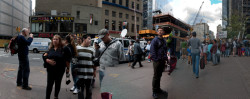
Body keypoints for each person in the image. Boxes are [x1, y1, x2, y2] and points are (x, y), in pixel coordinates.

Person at [43, 35, 70, 99]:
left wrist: (68, 69)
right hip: (50, 70)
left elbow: (68, 59)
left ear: (59, 40)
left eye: (56, 39)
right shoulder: (50, 49)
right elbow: (44, 55)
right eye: (54, 39)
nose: (55, 40)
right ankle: (47, 97)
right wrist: (47, 60)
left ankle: (56, 96)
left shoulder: (64, 48)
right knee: (49, 84)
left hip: (60, 70)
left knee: (57, 83)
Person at [150, 27, 168, 99]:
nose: (160, 32)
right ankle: (154, 91)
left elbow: (165, 50)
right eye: (159, 31)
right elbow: (152, 51)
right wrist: (156, 60)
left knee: (159, 75)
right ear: (157, 32)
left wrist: (166, 59)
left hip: (162, 61)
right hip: (157, 61)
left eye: (161, 31)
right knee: (156, 76)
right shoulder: (155, 40)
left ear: (163, 32)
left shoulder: (164, 41)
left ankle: (158, 89)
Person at [76, 35, 96, 99]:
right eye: (89, 39)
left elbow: (94, 61)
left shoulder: (92, 49)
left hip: (89, 73)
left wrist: (94, 71)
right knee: (80, 91)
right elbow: (74, 60)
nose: (90, 41)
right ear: (84, 39)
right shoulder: (77, 48)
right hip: (80, 73)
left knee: (89, 90)